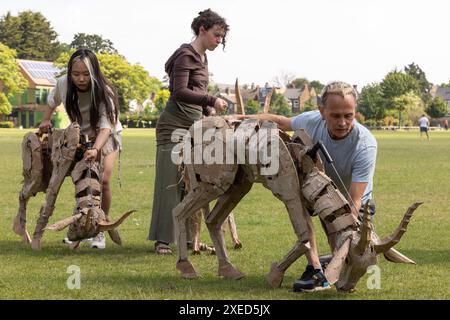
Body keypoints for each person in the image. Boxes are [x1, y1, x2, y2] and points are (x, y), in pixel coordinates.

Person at [238, 81, 377, 292]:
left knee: (352, 256)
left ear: (355, 112)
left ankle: (331, 262)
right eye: (335, 115)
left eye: (348, 115)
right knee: (301, 208)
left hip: (356, 205)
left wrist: (348, 237)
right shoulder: (311, 121)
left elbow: (354, 200)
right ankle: (315, 267)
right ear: (322, 111)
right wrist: (241, 119)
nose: (342, 122)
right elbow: (282, 122)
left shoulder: (365, 144)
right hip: (321, 193)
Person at [148, 9, 229, 255]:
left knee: (190, 184)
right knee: (170, 182)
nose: (219, 41)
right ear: (202, 30)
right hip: (173, 126)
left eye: (222, 37)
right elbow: (180, 91)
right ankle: (163, 240)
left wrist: (208, 110)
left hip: (194, 127)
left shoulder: (203, 58)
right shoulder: (186, 55)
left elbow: (196, 91)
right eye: (216, 35)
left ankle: (186, 240)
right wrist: (211, 99)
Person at [39, 48, 123, 249]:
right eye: (76, 74)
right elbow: (52, 101)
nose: (81, 79)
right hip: (79, 136)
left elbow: (105, 127)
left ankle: (99, 229)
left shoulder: (105, 93)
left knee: (102, 181)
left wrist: (95, 149)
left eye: (86, 74)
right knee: (82, 182)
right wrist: (46, 119)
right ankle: (82, 227)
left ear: (94, 72)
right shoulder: (63, 84)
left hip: (107, 135)